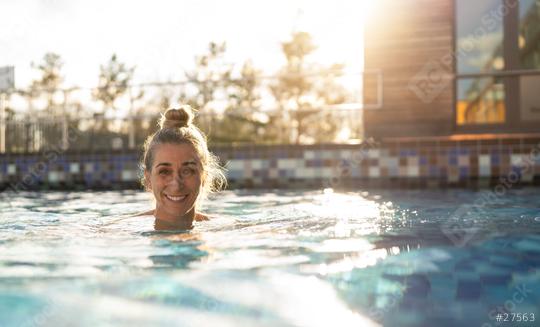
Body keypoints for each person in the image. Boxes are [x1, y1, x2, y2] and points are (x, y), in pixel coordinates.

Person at [139, 106, 226, 230]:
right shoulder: (118, 232)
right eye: (164, 171)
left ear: (204, 177)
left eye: (187, 171)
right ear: (148, 179)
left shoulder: (231, 230)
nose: (176, 184)